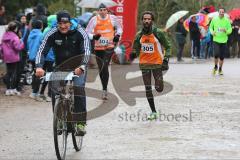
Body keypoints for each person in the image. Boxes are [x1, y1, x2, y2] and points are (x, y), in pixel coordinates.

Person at [35, 10, 91, 136]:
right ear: (57, 23)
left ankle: (80, 123)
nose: (63, 26)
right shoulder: (52, 33)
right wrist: (39, 67)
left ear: (70, 23)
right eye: (60, 23)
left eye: (65, 23)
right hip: (60, 67)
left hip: (78, 67)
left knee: (78, 88)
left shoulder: (80, 32)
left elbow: (86, 51)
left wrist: (82, 66)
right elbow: (41, 51)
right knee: (55, 89)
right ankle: (60, 119)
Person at [130, 11, 171, 120]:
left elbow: (168, 46)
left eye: (149, 19)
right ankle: (153, 111)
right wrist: (134, 54)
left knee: (159, 89)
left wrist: (166, 59)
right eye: (145, 19)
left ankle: (159, 84)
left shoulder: (158, 33)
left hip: (157, 63)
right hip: (144, 65)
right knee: (147, 88)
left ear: (152, 20)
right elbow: (136, 48)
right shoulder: (139, 35)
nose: (147, 21)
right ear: (142, 20)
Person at [85, 3, 123, 100]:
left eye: (104, 10)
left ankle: (105, 90)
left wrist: (117, 36)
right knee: (101, 68)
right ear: (98, 11)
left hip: (109, 46)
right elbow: (87, 32)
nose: (102, 11)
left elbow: (120, 28)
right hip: (98, 47)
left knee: (104, 66)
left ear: (107, 10)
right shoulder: (94, 20)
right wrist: (93, 36)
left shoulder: (113, 18)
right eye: (100, 10)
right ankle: (104, 87)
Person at [1, 21, 24, 95]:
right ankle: (13, 89)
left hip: (6, 56)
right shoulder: (15, 36)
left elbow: (1, 47)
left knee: (8, 72)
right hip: (13, 56)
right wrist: (22, 42)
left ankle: (8, 89)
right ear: (15, 28)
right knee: (13, 73)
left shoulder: (4, 35)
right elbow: (18, 48)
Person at [209, 8, 232, 75]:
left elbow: (230, 29)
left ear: (224, 13)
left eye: (223, 12)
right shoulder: (214, 19)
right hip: (216, 39)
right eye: (220, 12)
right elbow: (210, 27)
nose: (221, 13)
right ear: (218, 12)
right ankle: (215, 67)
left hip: (224, 40)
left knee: (222, 56)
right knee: (216, 54)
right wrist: (212, 32)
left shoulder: (227, 20)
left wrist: (226, 31)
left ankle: (220, 69)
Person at [27, 20, 44, 101]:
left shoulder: (30, 34)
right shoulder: (41, 35)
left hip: (31, 56)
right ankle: (35, 93)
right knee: (39, 75)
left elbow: (27, 45)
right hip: (39, 57)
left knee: (34, 73)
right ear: (41, 26)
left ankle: (34, 91)